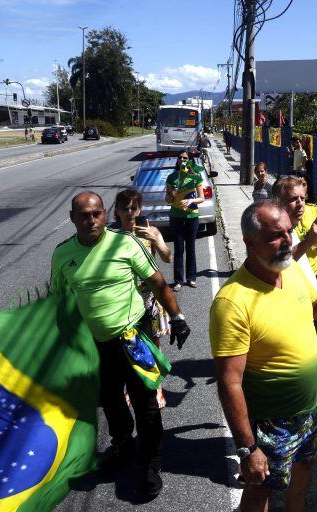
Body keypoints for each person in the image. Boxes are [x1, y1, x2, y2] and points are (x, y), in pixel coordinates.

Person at [209, 201, 317, 512]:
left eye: (288, 232)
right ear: (249, 242)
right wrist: (248, 449)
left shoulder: (291, 268)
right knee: (261, 489)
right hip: (271, 421)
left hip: (307, 411)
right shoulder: (233, 302)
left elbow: (315, 304)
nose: (287, 241)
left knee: (304, 470)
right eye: (275, 236)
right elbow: (230, 383)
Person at [51, 191, 191, 497]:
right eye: (84, 215)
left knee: (146, 404)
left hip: (132, 338)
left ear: (105, 214)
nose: (92, 220)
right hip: (94, 344)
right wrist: (63, 343)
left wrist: (177, 317)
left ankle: (151, 462)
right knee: (111, 401)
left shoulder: (125, 244)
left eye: (96, 213)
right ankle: (123, 445)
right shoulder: (63, 254)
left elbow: (157, 282)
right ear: (72, 218)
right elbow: (58, 302)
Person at [113, 188, 173, 409]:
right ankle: (132, 388)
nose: (130, 213)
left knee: (154, 345)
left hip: (150, 298)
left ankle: (157, 388)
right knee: (129, 346)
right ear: (117, 211)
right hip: (125, 300)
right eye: (125, 209)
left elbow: (167, 258)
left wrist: (157, 241)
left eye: (133, 208)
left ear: (139, 209)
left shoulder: (150, 231)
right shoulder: (112, 236)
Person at [271, 176, 317, 296]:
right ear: (277, 201)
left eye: (302, 198)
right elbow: (276, 265)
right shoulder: (272, 229)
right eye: (293, 199)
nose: (300, 204)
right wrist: (309, 240)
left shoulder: (291, 227)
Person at [165, 150, 205, 290]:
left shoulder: (195, 177)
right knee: (178, 249)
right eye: (180, 158)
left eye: (185, 158)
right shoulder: (172, 178)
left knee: (191, 248)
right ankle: (178, 280)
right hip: (176, 217)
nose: (182, 160)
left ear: (189, 160)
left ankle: (191, 278)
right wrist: (171, 193)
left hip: (192, 217)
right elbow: (167, 200)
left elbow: (202, 198)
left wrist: (191, 201)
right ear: (177, 160)